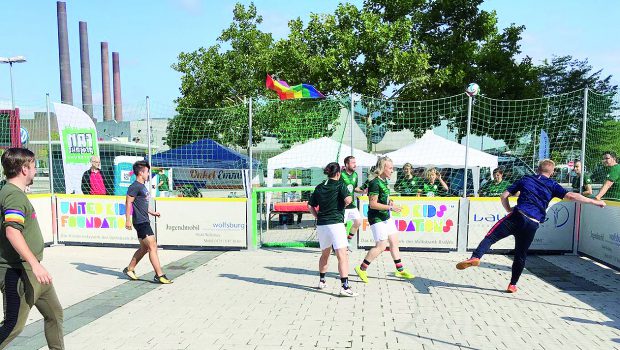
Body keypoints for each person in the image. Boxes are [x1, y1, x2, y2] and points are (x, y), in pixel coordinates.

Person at [456, 159, 606, 293]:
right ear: (552, 172)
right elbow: (572, 196)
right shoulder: (553, 185)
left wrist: (509, 209)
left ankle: (475, 257)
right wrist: (595, 202)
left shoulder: (526, 179)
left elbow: (503, 196)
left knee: (491, 237)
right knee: (520, 254)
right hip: (533, 224)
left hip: (518, 216)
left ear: (538, 169)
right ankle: (512, 285)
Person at [0, 148, 64, 349]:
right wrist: (35, 265)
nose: (36, 170)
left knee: (54, 314)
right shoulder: (13, 195)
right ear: (24, 169)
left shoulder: (13, 192)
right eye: (34, 166)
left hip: (35, 273)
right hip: (19, 272)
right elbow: (12, 231)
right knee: (13, 326)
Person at [354, 156, 415, 283]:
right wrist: (390, 207)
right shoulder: (375, 183)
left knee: (394, 241)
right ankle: (362, 269)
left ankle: (400, 270)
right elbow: (372, 204)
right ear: (382, 168)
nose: (392, 171)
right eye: (390, 168)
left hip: (385, 216)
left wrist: (388, 202)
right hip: (377, 218)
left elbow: (382, 199)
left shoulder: (384, 181)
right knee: (381, 246)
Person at [307, 162, 357, 297]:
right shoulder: (340, 185)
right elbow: (348, 199)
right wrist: (345, 203)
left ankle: (322, 281)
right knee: (342, 255)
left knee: (325, 254)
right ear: (339, 173)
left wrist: (318, 216)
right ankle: (345, 286)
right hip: (336, 223)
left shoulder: (319, 187)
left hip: (322, 224)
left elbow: (310, 206)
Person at [123, 160, 173, 284]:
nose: (148, 174)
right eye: (147, 172)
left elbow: (141, 204)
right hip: (140, 222)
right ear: (141, 173)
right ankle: (159, 275)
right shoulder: (135, 186)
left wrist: (152, 212)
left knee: (145, 248)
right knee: (152, 246)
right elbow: (128, 202)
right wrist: (127, 220)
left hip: (144, 219)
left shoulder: (142, 186)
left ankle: (130, 269)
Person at [340, 156, 364, 242]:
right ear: (347, 164)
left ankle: (348, 240)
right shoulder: (340, 174)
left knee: (358, 222)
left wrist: (363, 191)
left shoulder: (355, 175)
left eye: (355, 163)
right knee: (341, 226)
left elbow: (354, 188)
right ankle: (337, 245)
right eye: (353, 163)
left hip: (352, 204)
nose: (355, 165)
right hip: (342, 205)